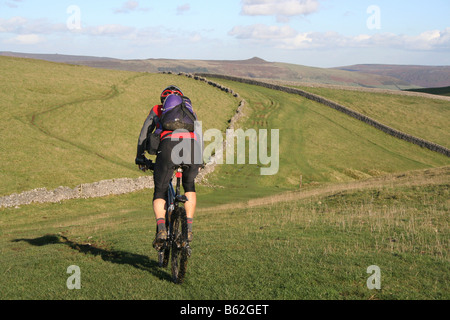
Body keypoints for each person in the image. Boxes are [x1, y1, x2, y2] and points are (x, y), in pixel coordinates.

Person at [135, 85, 201, 250]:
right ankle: (189, 229)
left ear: (164, 100)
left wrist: (140, 156)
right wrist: (200, 160)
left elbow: (144, 134)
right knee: (189, 186)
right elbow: (199, 135)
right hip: (192, 148)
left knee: (160, 190)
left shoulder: (158, 109)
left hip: (168, 147)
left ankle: (162, 229)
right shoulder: (189, 112)